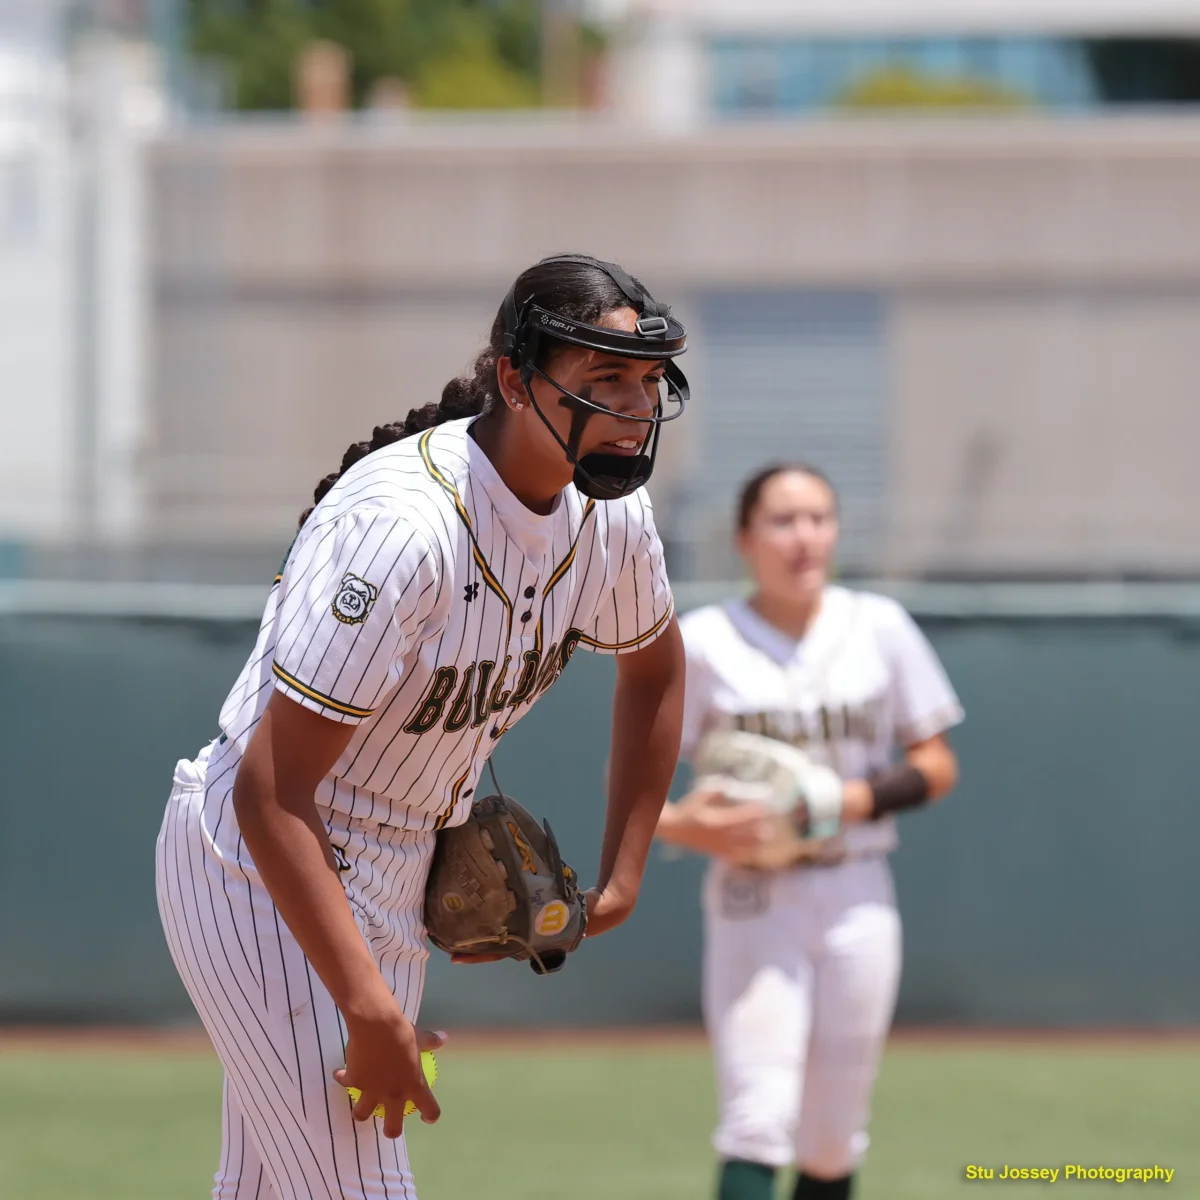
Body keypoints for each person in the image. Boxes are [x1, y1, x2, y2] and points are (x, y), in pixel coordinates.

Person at [155, 254, 688, 1200]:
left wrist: (625, 880)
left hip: (399, 873)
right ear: (518, 380)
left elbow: (653, 670)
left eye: (646, 381)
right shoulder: (406, 525)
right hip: (258, 866)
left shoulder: (612, 519)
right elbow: (274, 789)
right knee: (361, 1181)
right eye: (603, 378)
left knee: (273, 1185)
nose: (634, 405)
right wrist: (367, 1006)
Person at [656, 463, 963, 1200]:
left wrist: (841, 800)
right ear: (744, 538)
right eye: (784, 520)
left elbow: (937, 764)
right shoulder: (704, 642)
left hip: (857, 889)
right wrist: (690, 828)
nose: (805, 536)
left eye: (819, 518)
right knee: (758, 1117)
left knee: (833, 1131)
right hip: (753, 894)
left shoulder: (878, 627)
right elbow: (634, 786)